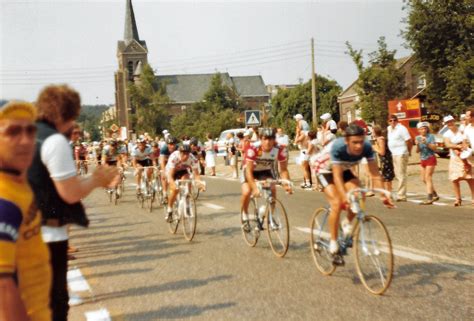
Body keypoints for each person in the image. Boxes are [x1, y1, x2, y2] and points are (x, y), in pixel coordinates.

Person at [27, 85, 118, 321]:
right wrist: (96, 179)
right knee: (54, 307)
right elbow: (70, 193)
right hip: (45, 235)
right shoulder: (53, 141)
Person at [0, 101, 51, 321]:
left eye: (30, 131)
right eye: (12, 132)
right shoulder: (5, 201)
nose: (25, 140)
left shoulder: (18, 185)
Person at [314, 124, 394, 264]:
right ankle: (333, 244)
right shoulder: (338, 147)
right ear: (346, 141)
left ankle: (346, 223)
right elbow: (337, 177)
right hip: (324, 170)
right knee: (337, 203)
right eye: (354, 143)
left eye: (361, 142)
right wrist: (344, 197)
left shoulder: (367, 147)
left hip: (344, 169)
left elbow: (375, 174)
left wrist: (383, 195)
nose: (358, 146)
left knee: (359, 195)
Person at [240, 128, 292, 228]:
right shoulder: (253, 148)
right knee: (247, 191)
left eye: (270, 139)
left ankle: (271, 217)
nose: (268, 142)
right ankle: (244, 214)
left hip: (264, 172)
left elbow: (284, 170)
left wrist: (286, 183)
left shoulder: (280, 149)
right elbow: (249, 171)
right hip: (249, 171)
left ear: (274, 139)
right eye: (265, 139)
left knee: (272, 188)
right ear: (260, 139)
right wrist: (254, 187)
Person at [164, 144, 205, 221]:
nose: (185, 156)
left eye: (187, 153)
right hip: (171, 171)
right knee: (175, 190)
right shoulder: (174, 157)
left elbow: (196, 175)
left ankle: (187, 203)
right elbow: (170, 176)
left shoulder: (192, 158)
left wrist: (200, 184)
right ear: (180, 153)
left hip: (182, 171)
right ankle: (169, 210)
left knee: (187, 180)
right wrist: (173, 185)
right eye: (183, 153)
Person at [442, 115, 474, 206]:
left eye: (451, 121)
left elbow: (466, 140)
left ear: (454, 121)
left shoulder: (461, 129)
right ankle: (458, 199)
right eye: (448, 122)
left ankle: (473, 198)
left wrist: (462, 146)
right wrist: (457, 146)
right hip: (455, 158)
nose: (450, 124)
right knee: (455, 179)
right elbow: (448, 144)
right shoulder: (446, 133)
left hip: (465, 155)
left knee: (470, 179)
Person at [387, 114, 412, 202]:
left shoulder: (402, 129)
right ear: (388, 122)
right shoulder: (389, 129)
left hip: (401, 153)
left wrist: (408, 151)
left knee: (401, 174)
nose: (393, 122)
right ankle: (400, 192)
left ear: (397, 121)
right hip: (394, 153)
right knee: (397, 174)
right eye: (391, 120)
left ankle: (401, 195)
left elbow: (409, 141)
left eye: (394, 120)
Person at [414, 122, 439, 205]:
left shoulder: (430, 136)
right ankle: (435, 194)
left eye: (425, 128)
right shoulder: (417, 138)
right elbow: (417, 151)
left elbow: (435, 148)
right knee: (423, 179)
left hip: (430, 157)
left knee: (428, 177)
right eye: (421, 129)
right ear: (419, 130)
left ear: (427, 129)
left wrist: (426, 143)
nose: (423, 130)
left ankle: (429, 198)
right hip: (422, 159)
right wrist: (417, 145)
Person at [372, 126, 395, 194]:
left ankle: (388, 192)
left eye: (373, 132)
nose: (372, 133)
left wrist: (375, 148)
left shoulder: (380, 139)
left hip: (386, 160)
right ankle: (387, 192)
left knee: (387, 177)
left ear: (375, 132)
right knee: (384, 177)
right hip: (383, 160)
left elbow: (382, 152)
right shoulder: (378, 139)